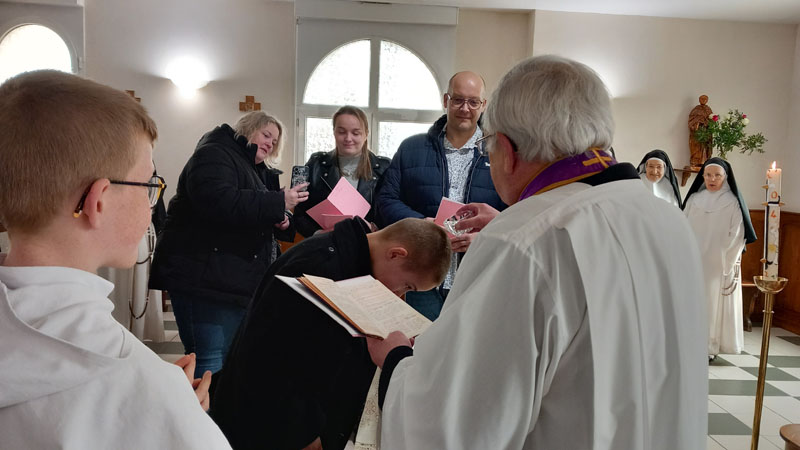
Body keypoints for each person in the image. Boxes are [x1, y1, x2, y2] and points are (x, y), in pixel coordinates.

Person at [367, 55, 708, 449]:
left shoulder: (522, 242)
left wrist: (396, 360)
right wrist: (510, 224)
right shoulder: (666, 218)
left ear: (506, 150)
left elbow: (453, 427)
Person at [0, 70, 230, 448]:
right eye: (149, 184)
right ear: (99, 201)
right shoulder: (149, 388)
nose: (151, 203)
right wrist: (171, 410)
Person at [211, 217, 450, 450]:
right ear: (396, 254)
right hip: (273, 427)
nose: (400, 294)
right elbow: (277, 360)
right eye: (407, 285)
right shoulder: (319, 267)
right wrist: (304, 434)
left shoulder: (353, 265)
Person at [149, 111, 309, 377]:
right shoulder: (215, 152)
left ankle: (214, 405)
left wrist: (280, 218)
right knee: (208, 361)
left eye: (274, 141)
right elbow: (218, 200)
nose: (270, 143)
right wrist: (277, 202)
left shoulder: (251, 167)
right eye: (266, 135)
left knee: (224, 360)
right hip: (203, 277)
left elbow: (245, 211)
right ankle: (201, 406)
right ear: (248, 128)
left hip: (227, 278)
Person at [376, 71, 505, 320]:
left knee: (467, 344)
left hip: (476, 276)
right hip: (420, 274)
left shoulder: (499, 154)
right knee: (419, 342)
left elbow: (514, 212)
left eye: (473, 102)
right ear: (446, 100)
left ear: (483, 105)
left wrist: (484, 237)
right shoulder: (411, 148)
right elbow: (386, 200)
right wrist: (420, 226)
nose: (465, 108)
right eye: (458, 100)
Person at [683, 158, 756, 359]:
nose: (712, 179)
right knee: (691, 303)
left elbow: (737, 234)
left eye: (717, 175)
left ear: (725, 177)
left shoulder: (732, 202)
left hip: (718, 263)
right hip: (693, 260)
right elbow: (682, 226)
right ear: (703, 176)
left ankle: (709, 347)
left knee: (712, 305)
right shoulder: (694, 199)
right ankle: (688, 343)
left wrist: (725, 260)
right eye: (708, 175)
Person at [293, 106, 390, 237]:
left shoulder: (384, 168)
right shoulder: (316, 164)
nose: (348, 138)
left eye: (356, 133)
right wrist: (318, 234)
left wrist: (374, 229)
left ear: (366, 134)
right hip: (327, 245)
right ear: (334, 132)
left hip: (370, 244)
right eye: (341, 132)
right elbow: (299, 214)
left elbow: (392, 213)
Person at [689, 95, 713, 167]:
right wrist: (698, 122)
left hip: (706, 132)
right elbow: (691, 120)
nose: (703, 100)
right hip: (698, 132)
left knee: (705, 147)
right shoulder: (695, 110)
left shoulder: (709, 110)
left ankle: (705, 161)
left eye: (705, 99)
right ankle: (695, 161)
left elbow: (711, 121)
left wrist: (708, 123)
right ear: (699, 100)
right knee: (697, 147)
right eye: (702, 99)